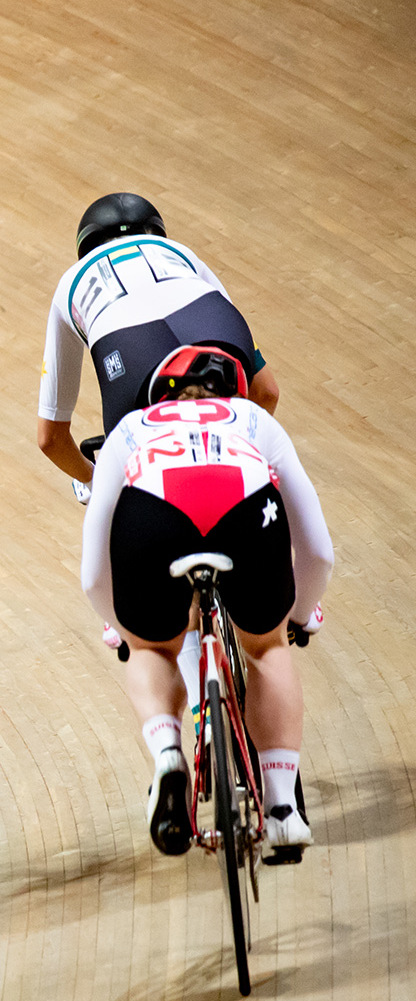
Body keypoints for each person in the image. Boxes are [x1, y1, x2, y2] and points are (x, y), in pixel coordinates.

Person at [82, 345, 332, 864]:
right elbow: (317, 548)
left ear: (159, 395)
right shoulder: (253, 419)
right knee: (265, 649)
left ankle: (169, 754)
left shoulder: (131, 428)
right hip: (245, 512)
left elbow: (92, 570)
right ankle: (283, 809)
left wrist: (124, 628)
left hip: (154, 515)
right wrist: (299, 616)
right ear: (232, 390)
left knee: (153, 648)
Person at [38, 193, 279, 484]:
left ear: (85, 247)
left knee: (133, 493)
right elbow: (266, 392)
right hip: (209, 318)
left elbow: (50, 439)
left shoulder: (70, 281)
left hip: (131, 350)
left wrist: (93, 482)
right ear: (157, 234)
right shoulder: (180, 252)